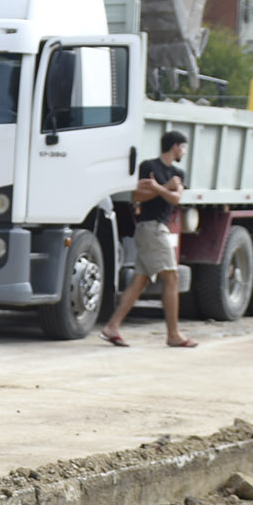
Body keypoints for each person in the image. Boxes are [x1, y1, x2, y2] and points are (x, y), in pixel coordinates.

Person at [101, 130, 198, 349]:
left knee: (140, 281)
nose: (183, 152)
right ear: (175, 146)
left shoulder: (177, 173)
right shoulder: (149, 167)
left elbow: (176, 198)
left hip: (157, 229)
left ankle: (112, 326)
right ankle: (173, 335)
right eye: (183, 147)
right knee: (171, 278)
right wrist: (162, 188)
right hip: (151, 228)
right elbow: (137, 197)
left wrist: (158, 188)